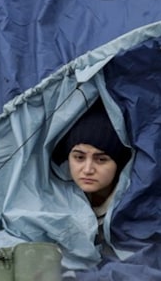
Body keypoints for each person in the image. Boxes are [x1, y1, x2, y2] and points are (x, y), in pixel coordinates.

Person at [53, 99, 133, 245]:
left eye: (101, 160)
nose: (88, 170)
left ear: (119, 164)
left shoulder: (134, 200)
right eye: (79, 157)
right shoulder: (56, 192)